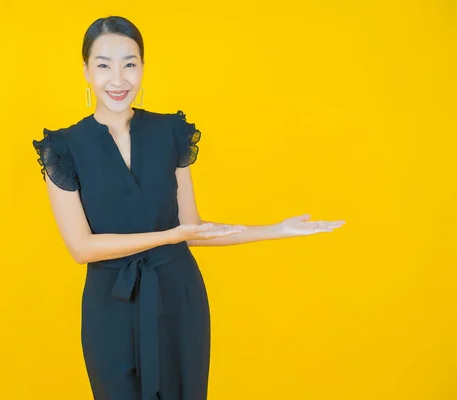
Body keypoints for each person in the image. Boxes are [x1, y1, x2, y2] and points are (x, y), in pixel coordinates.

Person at [32, 15, 345, 400]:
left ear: (143, 67)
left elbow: (193, 227)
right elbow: (81, 248)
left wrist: (275, 229)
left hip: (177, 296)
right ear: (85, 70)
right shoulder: (63, 149)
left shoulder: (170, 133)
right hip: (109, 306)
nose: (118, 79)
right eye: (103, 65)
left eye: (130, 64)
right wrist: (171, 235)